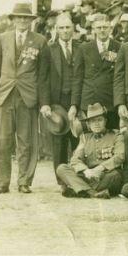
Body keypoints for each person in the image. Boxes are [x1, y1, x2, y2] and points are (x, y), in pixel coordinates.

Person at [0, 3, 51, 194]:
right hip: (6, 95)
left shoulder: (40, 41)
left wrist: (44, 102)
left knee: (26, 141)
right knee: (2, 141)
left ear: (31, 20)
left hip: (28, 96)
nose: (22, 21)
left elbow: (43, 76)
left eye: (26, 18)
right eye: (18, 17)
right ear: (13, 19)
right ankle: (2, 182)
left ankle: (24, 181)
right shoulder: (2, 38)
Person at [56, 102, 124, 198]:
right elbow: (75, 159)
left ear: (105, 120)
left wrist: (100, 168)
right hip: (89, 176)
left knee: (116, 175)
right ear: (88, 124)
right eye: (92, 121)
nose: (96, 124)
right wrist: (85, 170)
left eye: (99, 120)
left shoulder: (116, 135)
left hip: (106, 175)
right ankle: (94, 193)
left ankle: (81, 189)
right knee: (62, 168)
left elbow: (120, 156)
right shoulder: (85, 137)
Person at [47, 13, 81, 188]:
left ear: (73, 29)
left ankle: (76, 179)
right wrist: (45, 104)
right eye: (61, 28)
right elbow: (43, 79)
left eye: (67, 27)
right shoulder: (49, 49)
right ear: (56, 30)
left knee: (77, 139)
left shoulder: (81, 48)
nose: (65, 31)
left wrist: (76, 104)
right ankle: (61, 181)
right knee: (59, 142)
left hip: (77, 100)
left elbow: (82, 77)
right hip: (56, 102)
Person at [70, 13, 121, 130]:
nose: (102, 30)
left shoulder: (119, 47)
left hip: (110, 102)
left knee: (112, 137)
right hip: (89, 102)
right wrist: (74, 104)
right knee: (90, 140)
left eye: (105, 27)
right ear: (93, 29)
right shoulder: (84, 48)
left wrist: (120, 103)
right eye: (99, 28)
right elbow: (77, 78)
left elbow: (122, 77)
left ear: (110, 29)